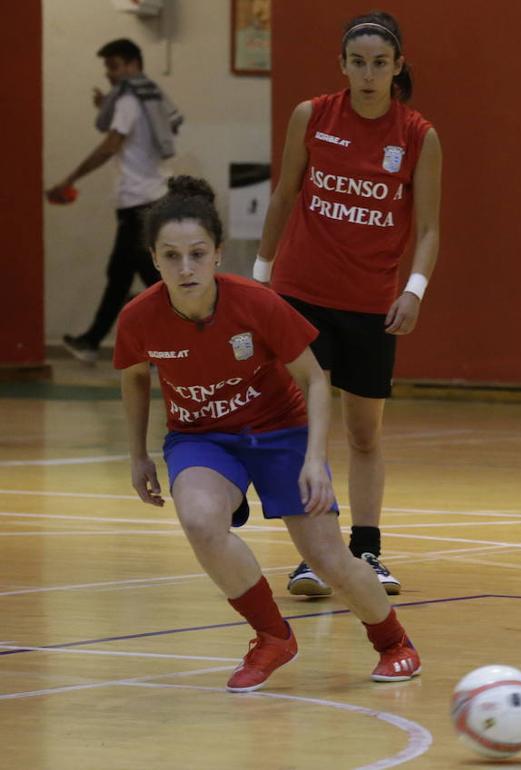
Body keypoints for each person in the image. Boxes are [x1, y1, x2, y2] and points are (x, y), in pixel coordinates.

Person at [115, 176, 422, 692]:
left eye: (196, 253)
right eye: (171, 256)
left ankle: (394, 643)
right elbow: (134, 379)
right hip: (202, 438)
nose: (185, 268)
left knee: (327, 558)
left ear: (216, 254)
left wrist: (311, 458)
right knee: (199, 520)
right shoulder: (138, 318)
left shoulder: (254, 302)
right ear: (154, 258)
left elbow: (315, 377)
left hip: (280, 431)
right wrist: (138, 456)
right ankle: (272, 636)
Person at [253, 11, 443, 597]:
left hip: (369, 304)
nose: (368, 74)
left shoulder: (417, 135)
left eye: (379, 64)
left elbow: (430, 228)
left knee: (364, 434)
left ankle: (367, 553)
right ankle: (317, 556)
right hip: (301, 296)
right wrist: (261, 276)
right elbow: (285, 195)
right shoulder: (312, 116)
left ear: (397, 67)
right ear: (342, 66)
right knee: (309, 429)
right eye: (357, 63)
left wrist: (413, 291)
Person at [52, 38, 182, 364]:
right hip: (151, 198)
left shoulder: (128, 99)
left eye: (113, 66)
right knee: (127, 276)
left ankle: (176, 346)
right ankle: (99, 342)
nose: (109, 74)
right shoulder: (148, 96)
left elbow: (110, 146)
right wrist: (105, 108)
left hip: (140, 203)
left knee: (151, 281)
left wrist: (70, 179)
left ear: (131, 65)